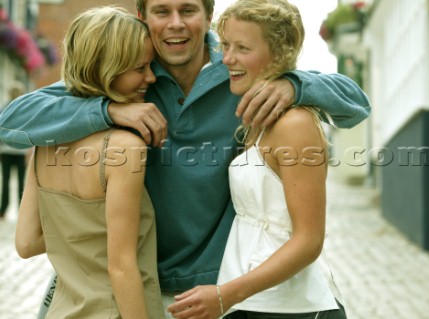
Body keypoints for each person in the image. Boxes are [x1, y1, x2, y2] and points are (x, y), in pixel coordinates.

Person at [0, 0, 370, 317]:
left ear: (208, 15)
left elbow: (355, 103)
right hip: (136, 282)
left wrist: (295, 84)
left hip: (214, 289)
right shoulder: (128, 76)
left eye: (188, 9)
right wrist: (109, 110)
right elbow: (11, 120)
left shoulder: (238, 68)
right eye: (162, 10)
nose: (176, 23)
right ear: (143, 16)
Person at [167, 0, 347, 318]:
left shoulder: (295, 124)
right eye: (225, 45)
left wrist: (225, 295)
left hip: (292, 307)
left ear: (279, 54)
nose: (228, 59)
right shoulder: (257, 120)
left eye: (243, 48)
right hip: (251, 300)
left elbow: (309, 240)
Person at [14, 6, 164, 318]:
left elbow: (26, 243)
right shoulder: (125, 148)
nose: (150, 77)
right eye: (140, 68)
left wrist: (81, 239)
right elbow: (121, 268)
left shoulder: (45, 143)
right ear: (108, 69)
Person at [0, 82, 28, 219]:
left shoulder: (4, 109)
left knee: (5, 181)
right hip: (21, 151)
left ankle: (3, 209)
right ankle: (21, 210)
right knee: (21, 182)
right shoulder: (25, 109)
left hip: (5, 150)